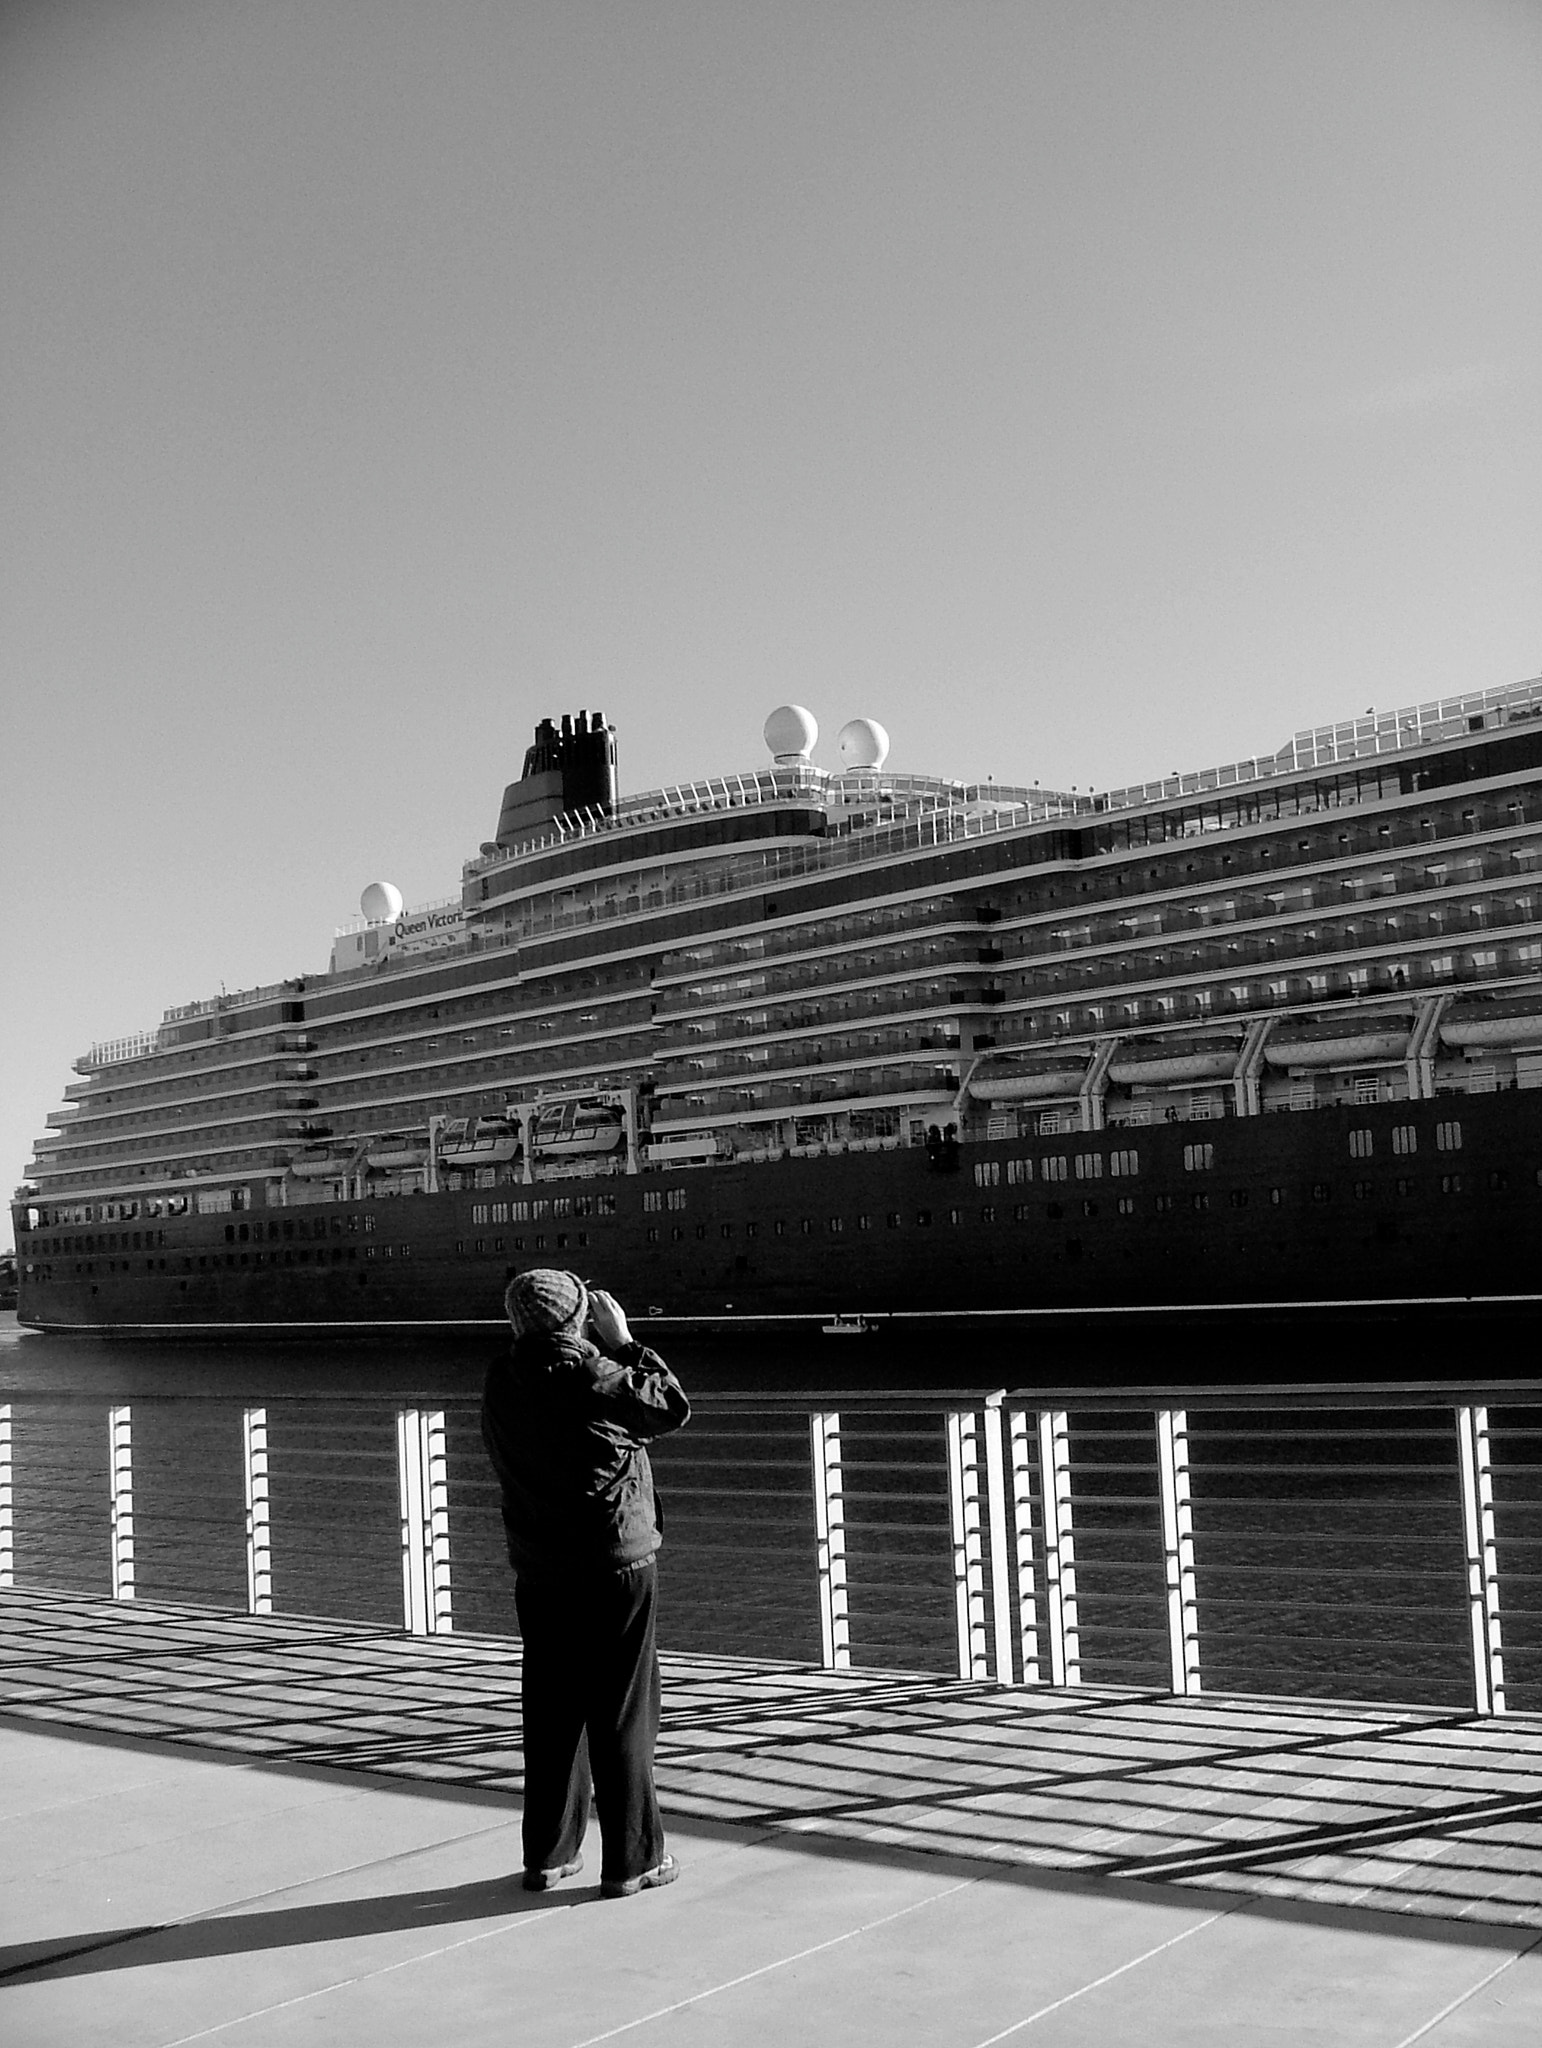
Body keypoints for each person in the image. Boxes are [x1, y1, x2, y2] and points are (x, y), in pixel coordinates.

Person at [482, 1267, 690, 1897]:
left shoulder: (501, 1378)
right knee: (623, 1711)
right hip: (615, 1566)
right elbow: (672, 1407)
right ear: (577, 1319)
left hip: (539, 1568)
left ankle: (548, 1854)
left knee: (550, 1712)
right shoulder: (597, 1376)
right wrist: (624, 1340)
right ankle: (633, 1861)